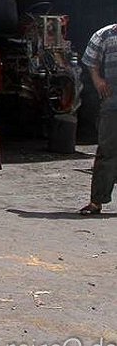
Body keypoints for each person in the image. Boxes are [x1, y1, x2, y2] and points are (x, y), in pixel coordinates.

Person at [79, 23, 117, 215]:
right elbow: (90, 58)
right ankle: (96, 202)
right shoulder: (105, 35)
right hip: (112, 102)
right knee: (106, 151)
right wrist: (96, 79)